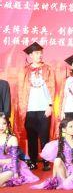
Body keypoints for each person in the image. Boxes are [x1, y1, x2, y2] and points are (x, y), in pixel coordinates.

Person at [17, 42, 55, 171]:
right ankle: (33, 161)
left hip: (44, 108)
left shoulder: (48, 69)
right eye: (37, 53)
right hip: (29, 109)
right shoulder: (24, 70)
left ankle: (46, 161)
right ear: (31, 55)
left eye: (41, 53)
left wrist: (50, 105)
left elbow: (52, 88)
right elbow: (20, 90)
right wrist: (22, 109)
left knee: (44, 136)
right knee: (31, 137)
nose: (40, 55)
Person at [32, 118, 73, 190]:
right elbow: (56, 164)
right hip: (65, 170)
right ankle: (60, 180)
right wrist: (53, 180)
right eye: (71, 127)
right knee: (57, 160)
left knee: (67, 185)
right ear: (64, 130)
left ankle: (66, 182)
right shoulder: (59, 143)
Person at [0, 112, 38, 187]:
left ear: (7, 125)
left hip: (11, 167)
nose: (1, 126)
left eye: (4, 123)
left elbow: (14, 158)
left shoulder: (12, 139)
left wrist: (15, 173)